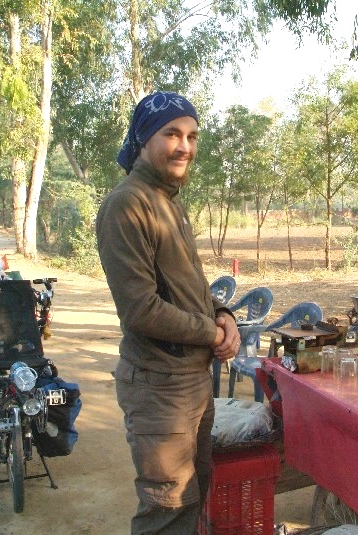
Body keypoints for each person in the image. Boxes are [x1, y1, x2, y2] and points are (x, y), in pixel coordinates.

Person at [96, 91, 240, 534]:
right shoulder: (127, 204)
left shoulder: (169, 201)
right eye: (172, 134)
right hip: (159, 386)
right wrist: (212, 334)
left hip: (191, 379)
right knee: (168, 509)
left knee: (193, 498)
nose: (185, 146)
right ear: (144, 139)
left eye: (192, 136)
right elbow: (141, 310)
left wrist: (223, 314)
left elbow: (188, 285)